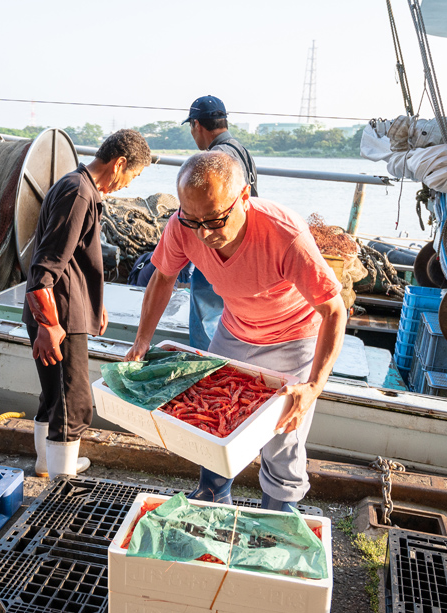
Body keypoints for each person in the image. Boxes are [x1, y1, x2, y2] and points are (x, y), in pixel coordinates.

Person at [125, 152, 346, 510]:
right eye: (193, 220)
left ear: (244, 197)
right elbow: (163, 277)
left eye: (214, 220)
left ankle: (280, 507)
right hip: (235, 328)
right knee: (214, 413)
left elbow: (334, 310)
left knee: (284, 430)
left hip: (293, 336)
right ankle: (212, 492)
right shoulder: (183, 225)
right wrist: (141, 341)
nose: (205, 233)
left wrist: (314, 386)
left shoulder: (285, 235)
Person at [23, 129, 152, 478]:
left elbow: (76, 259)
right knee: (73, 402)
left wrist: (96, 302)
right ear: (119, 163)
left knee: (53, 394)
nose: (127, 186)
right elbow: (44, 269)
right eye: (132, 176)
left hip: (62, 306)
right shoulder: (80, 193)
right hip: (59, 313)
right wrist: (49, 325)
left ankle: (45, 463)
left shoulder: (73, 184)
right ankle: (64, 479)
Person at [183, 95, 258, 351]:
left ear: (196, 125)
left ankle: (205, 362)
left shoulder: (216, 159)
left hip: (219, 244)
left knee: (206, 308)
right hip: (244, 245)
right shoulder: (240, 150)